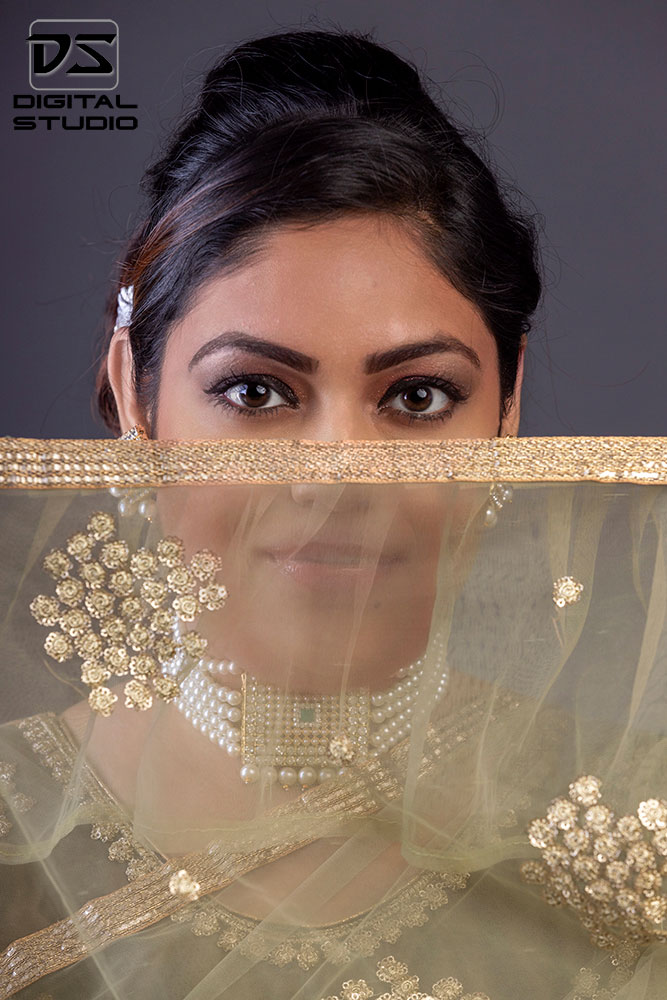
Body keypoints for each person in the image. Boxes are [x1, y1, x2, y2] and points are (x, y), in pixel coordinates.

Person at [1, 28, 665, 1000]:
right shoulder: (19, 847)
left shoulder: (635, 826)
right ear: (134, 400)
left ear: (509, 412)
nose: (338, 479)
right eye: (256, 393)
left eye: (418, 397)